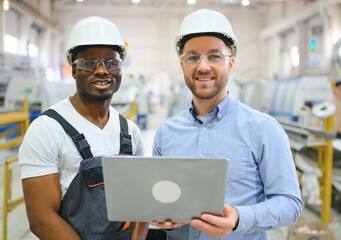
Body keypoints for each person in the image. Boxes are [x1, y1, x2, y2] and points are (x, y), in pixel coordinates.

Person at [151, 9, 303, 240]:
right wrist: (165, 220)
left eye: (214, 56)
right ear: (182, 65)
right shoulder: (166, 132)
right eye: (192, 57)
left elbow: (290, 204)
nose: (203, 66)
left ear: (230, 64)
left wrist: (239, 218)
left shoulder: (263, 129)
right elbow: (163, 199)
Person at [19, 16, 148, 239]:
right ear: (73, 70)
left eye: (111, 62)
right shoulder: (47, 129)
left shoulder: (130, 133)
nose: (102, 70)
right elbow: (42, 220)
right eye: (89, 63)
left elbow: (141, 205)